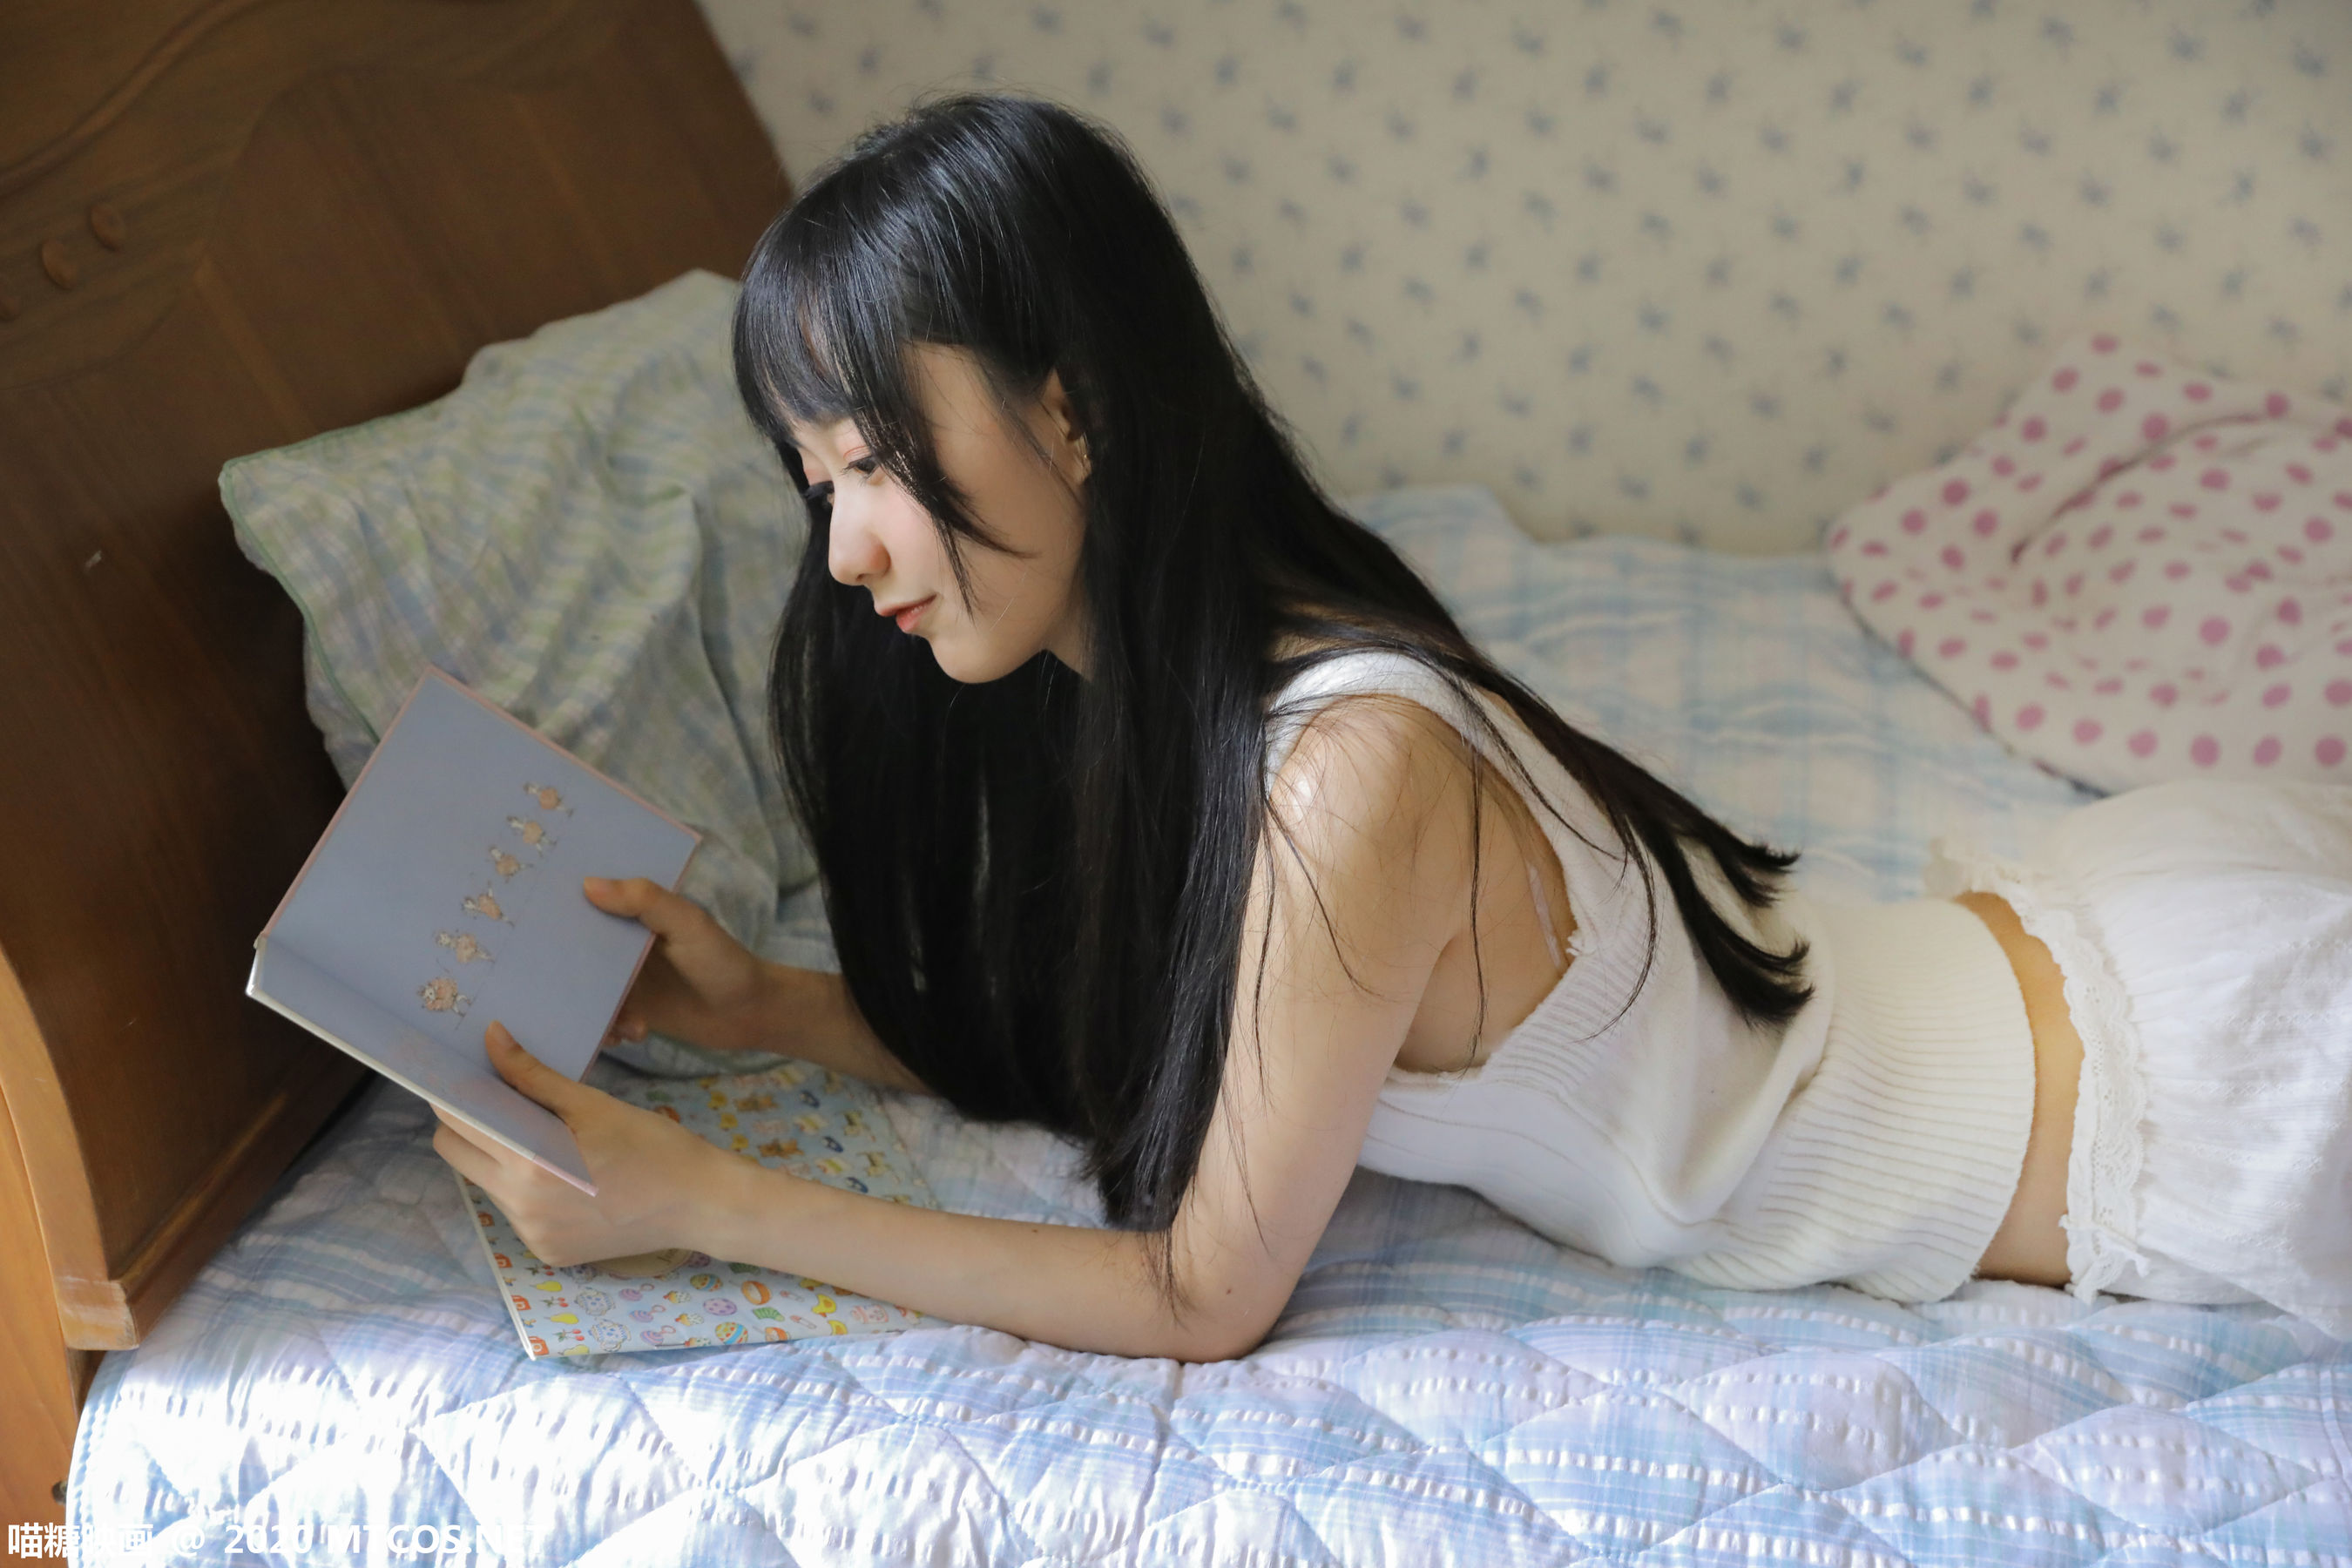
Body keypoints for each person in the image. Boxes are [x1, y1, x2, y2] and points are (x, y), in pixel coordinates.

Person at [430, 93, 2352, 1357]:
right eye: (815, 483)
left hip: (2180, 1091)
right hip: (2062, 973)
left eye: (871, 463)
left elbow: (1200, 1294)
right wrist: (769, 1012)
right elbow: (1173, 1043)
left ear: (1070, 411)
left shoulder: (1347, 772)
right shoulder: (1204, 682)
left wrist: (705, 1202)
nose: (846, 551)